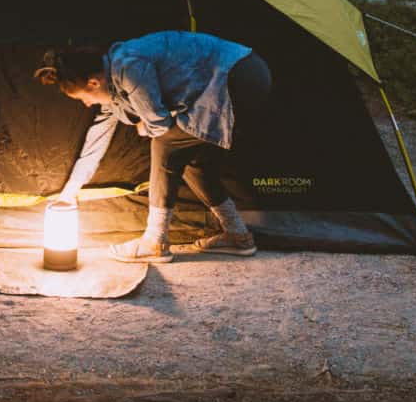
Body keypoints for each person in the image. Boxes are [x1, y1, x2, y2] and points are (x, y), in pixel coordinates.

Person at [34, 31, 272, 262]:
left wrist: (143, 127)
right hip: (231, 78)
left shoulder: (129, 67)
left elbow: (159, 125)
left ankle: (155, 242)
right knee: (191, 162)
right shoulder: (114, 90)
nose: (87, 105)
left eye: (83, 98)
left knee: (166, 143)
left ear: (94, 82)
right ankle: (238, 236)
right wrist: (70, 192)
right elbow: (96, 142)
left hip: (240, 75)